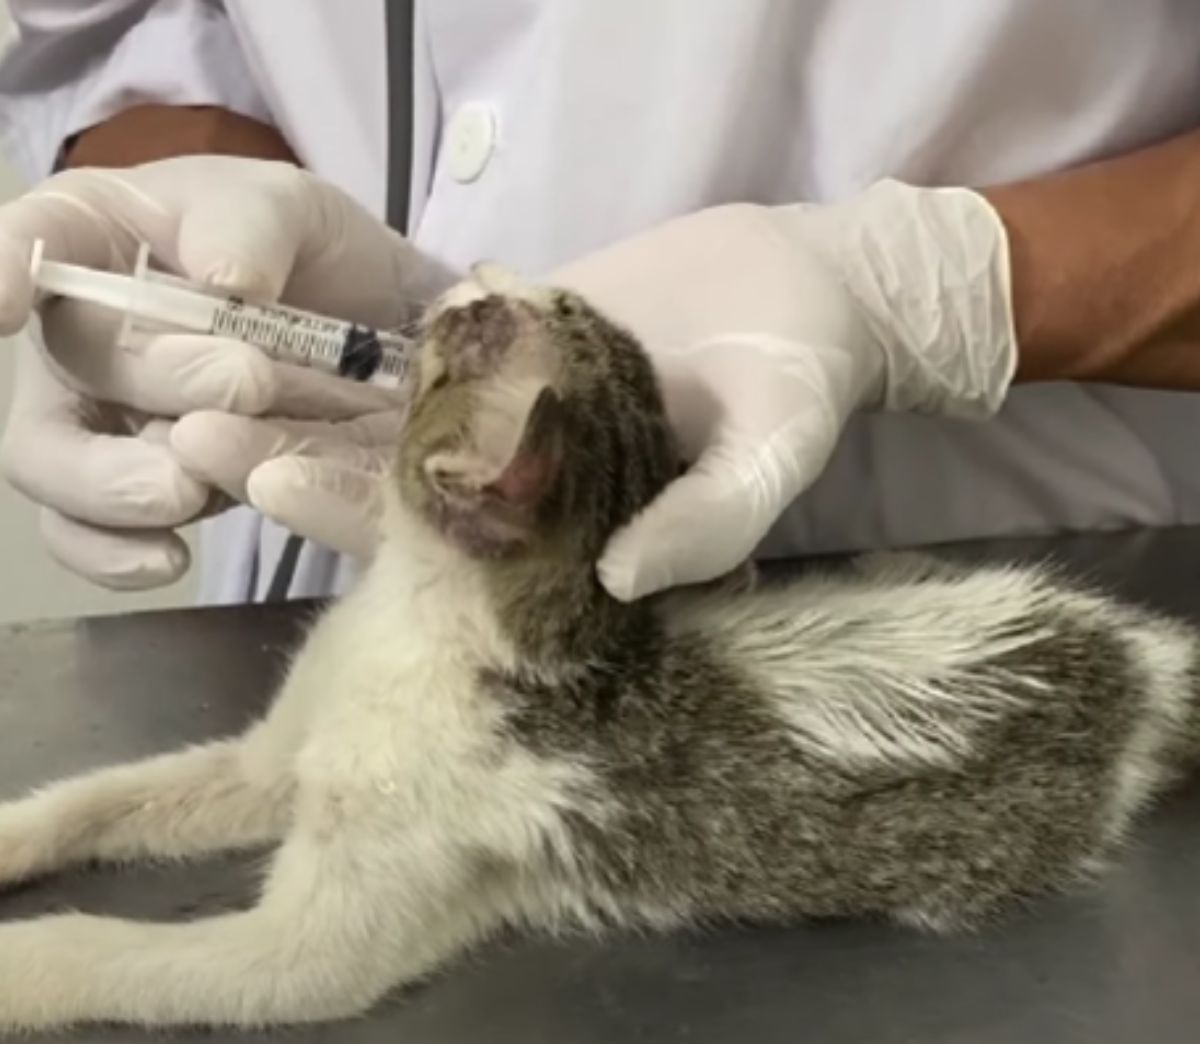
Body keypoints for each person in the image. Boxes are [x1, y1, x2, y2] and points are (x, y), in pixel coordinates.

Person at [1, 0, 1199, 607]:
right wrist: (172, 200)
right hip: (330, 569)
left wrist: (931, 288)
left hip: (997, 598)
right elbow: (129, 22)